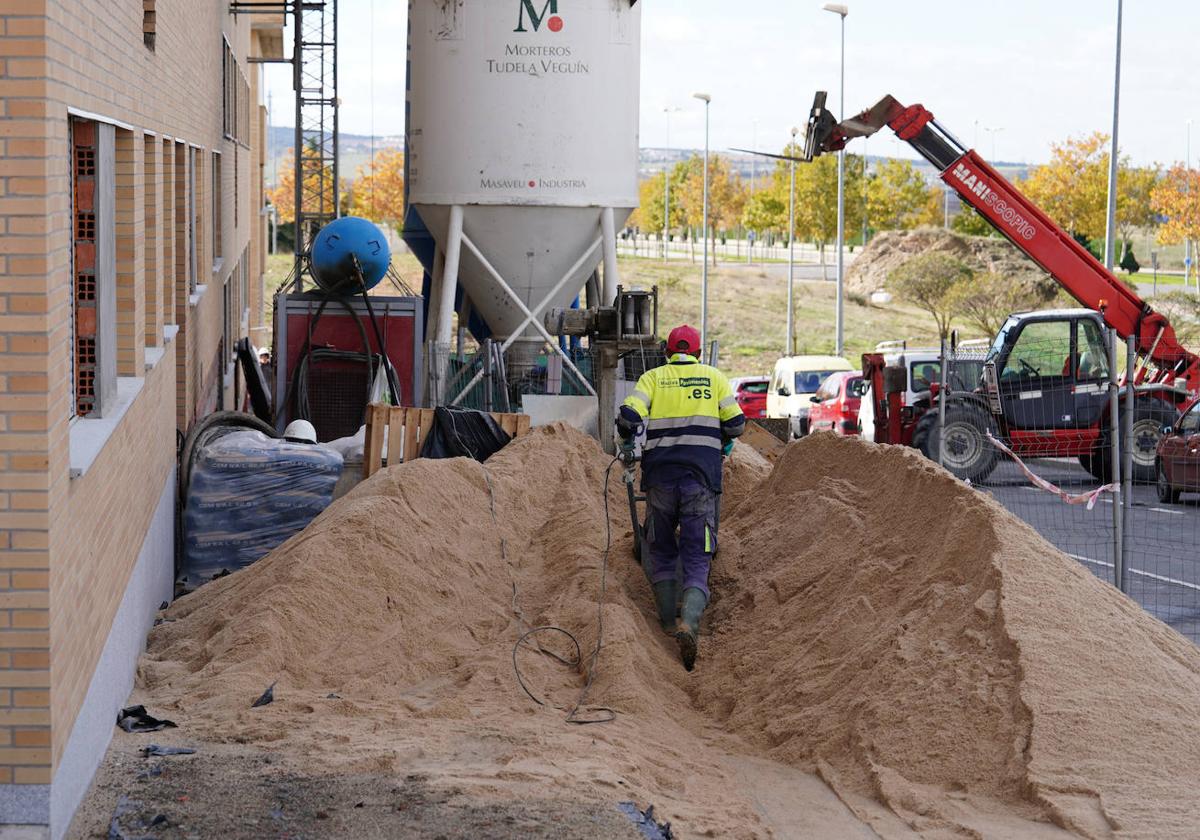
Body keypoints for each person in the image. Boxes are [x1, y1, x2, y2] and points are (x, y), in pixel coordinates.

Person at [616, 324, 745, 671]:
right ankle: (689, 622)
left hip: (660, 478)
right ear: (699, 353)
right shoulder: (714, 377)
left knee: (659, 549)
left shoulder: (653, 378)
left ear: (666, 352)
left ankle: (666, 628)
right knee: (698, 555)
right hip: (700, 480)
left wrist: (627, 442)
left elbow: (628, 417)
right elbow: (736, 425)